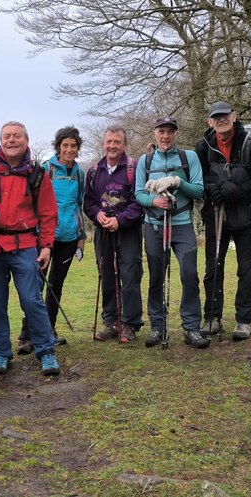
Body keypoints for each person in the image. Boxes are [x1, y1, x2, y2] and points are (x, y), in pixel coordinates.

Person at [0, 121, 61, 376]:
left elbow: (48, 213)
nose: (11, 140)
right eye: (6, 136)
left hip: (25, 245)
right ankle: (1, 353)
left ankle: (46, 351)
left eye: (16, 136)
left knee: (31, 299)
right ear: (0, 141)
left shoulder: (37, 174)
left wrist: (46, 246)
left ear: (26, 141)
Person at [195, 102, 251, 341]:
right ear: (209, 122)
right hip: (216, 214)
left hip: (246, 215)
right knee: (213, 267)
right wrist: (213, 190)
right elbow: (199, 177)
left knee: (247, 270)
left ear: (234, 117)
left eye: (225, 116)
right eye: (216, 117)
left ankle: (243, 320)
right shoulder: (203, 146)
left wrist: (236, 190)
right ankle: (212, 317)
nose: (221, 121)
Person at [135, 116, 207, 349]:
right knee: (156, 276)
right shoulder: (145, 162)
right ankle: (158, 326)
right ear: (155, 133)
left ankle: (192, 328)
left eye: (170, 132)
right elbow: (138, 194)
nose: (165, 136)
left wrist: (177, 182)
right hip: (154, 225)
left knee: (189, 274)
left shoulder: (190, 158)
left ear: (175, 134)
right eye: (161, 131)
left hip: (182, 224)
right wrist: (155, 201)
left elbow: (198, 191)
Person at [17, 125, 86, 353]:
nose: (68, 149)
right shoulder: (45, 169)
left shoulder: (79, 173)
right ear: (58, 148)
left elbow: (79, 205)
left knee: (56, 285)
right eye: (65, 145)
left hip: (68, 238)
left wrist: (81, 236)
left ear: (77, 149)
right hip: (43, 237)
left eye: (73, 146)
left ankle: (49, 331)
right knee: (35, 285)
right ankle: (26, 336)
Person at [84, 125, 145, 343]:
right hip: (103, 231)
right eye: (109, 141)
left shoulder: (134, 168)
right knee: (106, 273)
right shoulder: (94, 171)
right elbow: (88, 203)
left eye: (117, 142)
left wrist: (119, 220)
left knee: (130, 274)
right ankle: (110, 322)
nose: (112, 146)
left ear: (124, 144)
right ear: (103, 143)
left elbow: (140, 202)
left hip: (128, 230)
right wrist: (98, 215)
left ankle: (129, 323)